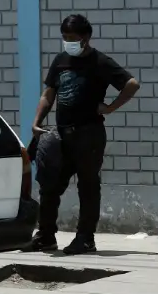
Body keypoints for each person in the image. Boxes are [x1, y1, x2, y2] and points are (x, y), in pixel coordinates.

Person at [27, 14, 140, 255]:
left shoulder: (99, 62)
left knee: (88, 187)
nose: (68, 42)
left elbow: (131, 84)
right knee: (49, 185)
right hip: (60, 135)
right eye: (65, 37)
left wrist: (110, 107)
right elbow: (48, 94)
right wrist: (37, 122)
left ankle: (85, 238)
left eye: (73, 38)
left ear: (86, 38)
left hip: (88, 134)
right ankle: (46, 235)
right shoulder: (61, 61)